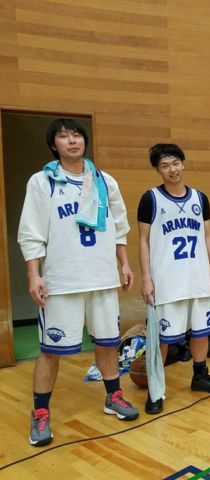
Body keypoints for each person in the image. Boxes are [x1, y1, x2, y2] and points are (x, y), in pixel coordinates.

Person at [18, 118, 139, 446]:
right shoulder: (42, 181)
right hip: (62, 281)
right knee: (50, 350)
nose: (72, 140)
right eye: (63, 136)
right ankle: (40, 412)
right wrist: (33, 274)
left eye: (76, 135)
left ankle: (113, 396)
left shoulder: (105, 181)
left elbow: (119, 226)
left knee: (108, 343)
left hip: (102, 278)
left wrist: (124, 264)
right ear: (53, 145)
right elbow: (31, 233)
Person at [138, 143, 210, 415]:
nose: (172, 169)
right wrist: (146, 278)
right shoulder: (151, 198)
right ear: (158, 169)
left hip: (197, 278)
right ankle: (156, 390)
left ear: (183, 164)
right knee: (162, 339)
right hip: (167, 281)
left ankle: (200, 376)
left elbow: (208, 236)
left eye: (176, 163)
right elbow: (143, 241)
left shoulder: (200, 198)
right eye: (165, 165)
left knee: (201, 332)